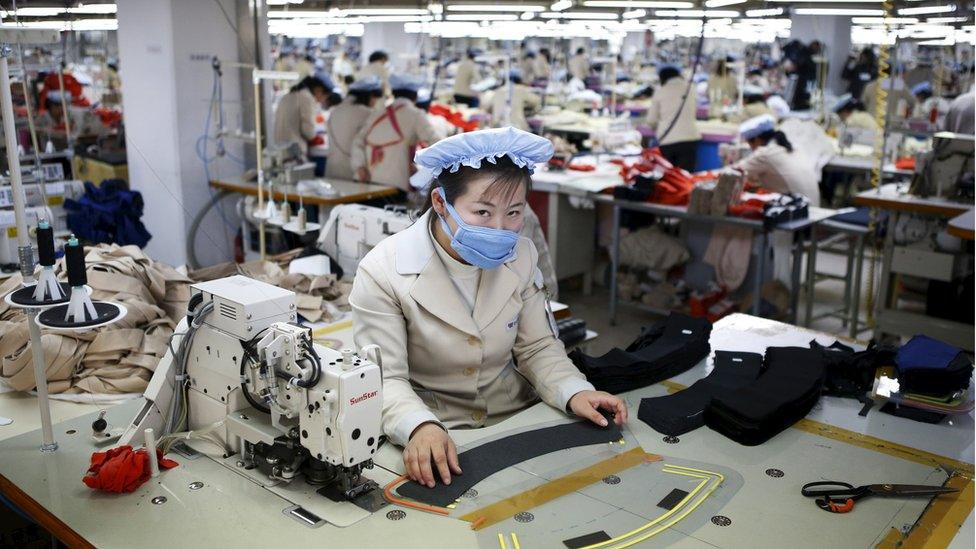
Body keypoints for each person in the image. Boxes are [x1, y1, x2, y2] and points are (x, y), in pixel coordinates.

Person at [350, 127, 628, 488]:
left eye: (514, 212)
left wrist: (574, 390)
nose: (500, 229)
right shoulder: (383, 270)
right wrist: (418, 426)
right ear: (439, 202)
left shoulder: (522, 255)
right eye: (482, 212)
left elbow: (538, 347)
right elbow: (386, 378)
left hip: (515, 415)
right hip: (436, 428)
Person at [350, 73, 440, 192]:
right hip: (397, 185)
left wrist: (359, 166)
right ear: (415, 96)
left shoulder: (377, 114)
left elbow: (357, 141)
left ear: (393, 93)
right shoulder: (416, 115)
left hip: (370, 182)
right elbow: (437, 145)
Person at [734, 114, 820, 204]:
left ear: (757, 139)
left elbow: (734, 171)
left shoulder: (765, 153)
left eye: (750, 144)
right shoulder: (793, 148)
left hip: (796, 209)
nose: (751, 148)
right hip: (811, 205)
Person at [326, 77, 383, 180]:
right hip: (354, 171)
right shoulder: (368, 113)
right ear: (368, 96)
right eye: (375, 98)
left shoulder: (335, 111)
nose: (375, 102)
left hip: (331, 169)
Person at [646, 64, 701, 172]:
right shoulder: (690, 89)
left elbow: (651, 120)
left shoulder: (660, 92)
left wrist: (655, 127)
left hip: (667, 142)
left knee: (669, 180)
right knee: (686, 179)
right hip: (689, 139)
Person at [273, 74, 332, 155]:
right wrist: (317, 138)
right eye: (325, 97)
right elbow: (308, 132)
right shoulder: (306, 97)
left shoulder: (289, 95)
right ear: (319, 90)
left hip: (280, 147)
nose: (322, 101)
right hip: (294, 150)